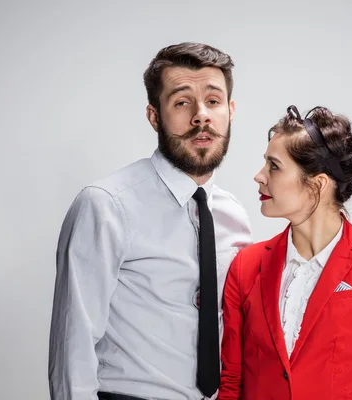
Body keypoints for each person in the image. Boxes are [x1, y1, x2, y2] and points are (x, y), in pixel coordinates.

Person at [48, 42, 252, 400]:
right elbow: (72, 343)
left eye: (214, 101)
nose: (201, 115)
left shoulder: (234, 216)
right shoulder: (107, 205)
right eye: (182, 101)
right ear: (154, 115)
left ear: (231, 111)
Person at [218, 105, 352, 399]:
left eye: (274, 166)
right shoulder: (246, 266)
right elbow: (231, 381)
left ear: (317, 184)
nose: (259, 176)